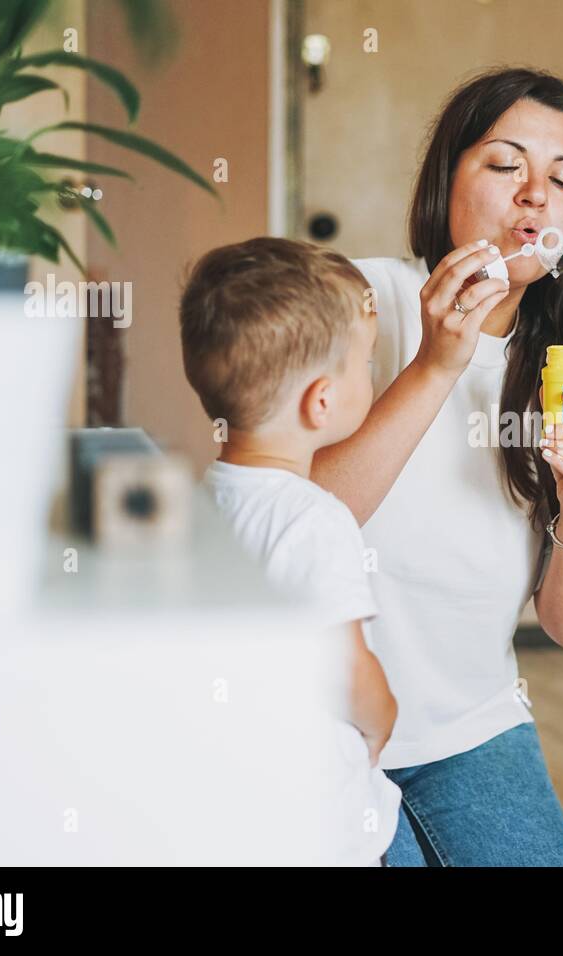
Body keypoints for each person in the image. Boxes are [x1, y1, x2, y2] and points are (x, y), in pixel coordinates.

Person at [313, 68, 563, 866]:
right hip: (321, 723)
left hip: (472, 730)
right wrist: (434, 367)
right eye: (505, 166)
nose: (537, 196)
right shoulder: (359, 299)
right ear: (445, 180)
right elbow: (296, 512)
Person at [180, 237, 400, 866]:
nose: (372, 377)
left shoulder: (206, 500)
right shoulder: (314, 521)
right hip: (326, 827)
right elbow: (346, 666)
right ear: (322, 401)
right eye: (366, 364)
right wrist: (382, 715)